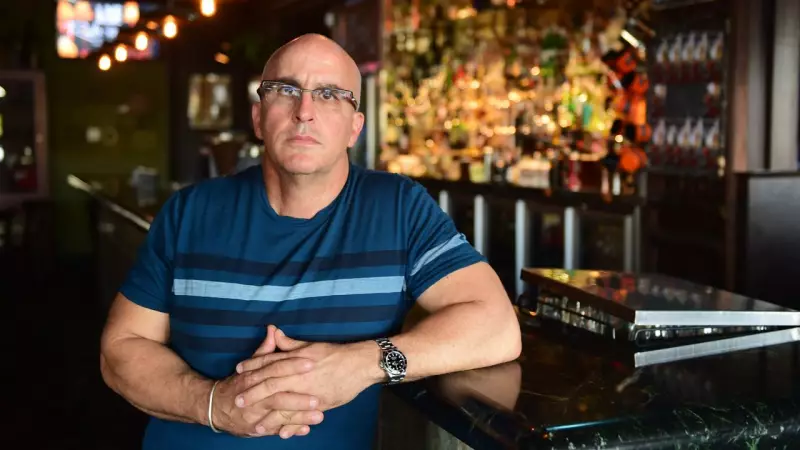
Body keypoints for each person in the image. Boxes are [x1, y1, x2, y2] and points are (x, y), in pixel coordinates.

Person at [99, 33, 522, 450]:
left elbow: (497, 327)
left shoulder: (398, 208)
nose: (304, 112)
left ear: (355, 128)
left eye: (329, 94)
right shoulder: (189, 212)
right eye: (286, 91)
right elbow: (120, 349)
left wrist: (360, 363)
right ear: (258, 117)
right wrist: (215, 404)